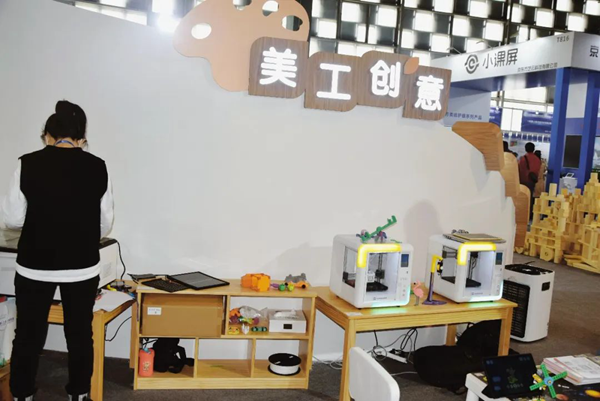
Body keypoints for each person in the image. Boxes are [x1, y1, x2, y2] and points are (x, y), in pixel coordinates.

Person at [1, 101, 114, 401]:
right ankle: (78, 393)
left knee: (28, 335)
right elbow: (105, 223)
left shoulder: (26, 163)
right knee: (79, 334)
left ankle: (22, 394)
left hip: (34, 265)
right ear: (80, 139)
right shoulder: (98, 166)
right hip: (82, 266)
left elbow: (11, 219)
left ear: (48, 136)